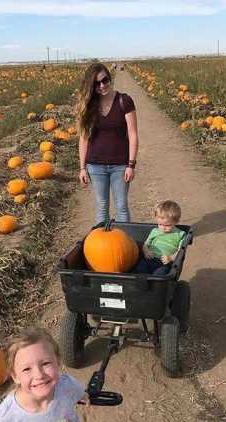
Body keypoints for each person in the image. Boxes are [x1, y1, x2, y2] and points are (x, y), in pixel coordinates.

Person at [77, 63, 139, 225]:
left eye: (104, 80)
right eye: (97, 84)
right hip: (95, 166)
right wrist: (82, 168)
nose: (102, 85)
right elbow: (83, 138)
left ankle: (124, 244)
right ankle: (101, 247)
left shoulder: (124, 101)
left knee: (122, 207)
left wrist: (131, 165)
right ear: (91, 86)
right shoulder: (89, 106)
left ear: (109, 78)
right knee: (102, 207)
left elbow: (133, 135)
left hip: (120, 164)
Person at [134, 200, 185, 275]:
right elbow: (145, 244)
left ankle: (154, 285)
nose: (163, 228)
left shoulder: (180, 234)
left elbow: (180, 251)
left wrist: (171, 258)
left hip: (164, 262)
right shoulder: (155, 231)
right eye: (160, 224)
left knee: (160, 273)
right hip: (150, 258)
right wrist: (146, 251)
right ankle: (141, 284)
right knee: (139, 268)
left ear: (176, 221)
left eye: (167, 225)